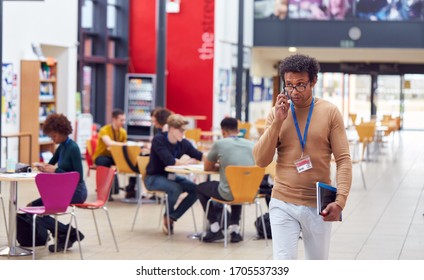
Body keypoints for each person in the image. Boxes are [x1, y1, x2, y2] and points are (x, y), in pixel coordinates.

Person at [253, 54, 352, 260]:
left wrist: (340, 200)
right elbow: (261, 160)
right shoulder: (277, 113)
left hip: (318, 204)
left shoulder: (330, 112)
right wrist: (278, 122)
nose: (294, 91)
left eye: (300, 85)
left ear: (313, 81)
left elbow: (343, 160)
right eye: (289, 85)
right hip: (282, 201)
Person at [28, 113, 88, 252]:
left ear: (62, 132)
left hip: (77, 191)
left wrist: (56, 170)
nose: (52, 139)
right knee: (31, 207)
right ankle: (67, 233)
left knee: (37, 210)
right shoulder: (61, 147)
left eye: (54, 136)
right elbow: (51, 165)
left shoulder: (73, 148)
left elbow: (78, 177)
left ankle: (67, 233)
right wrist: (43, 167)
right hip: (65, 190)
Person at [196, 117, 255, 243]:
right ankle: (235, 230)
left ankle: (214, 228)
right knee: (237, 184)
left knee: (200, 188)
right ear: (238, 130)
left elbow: (207, 167)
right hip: (250, 191)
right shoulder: (251, 144)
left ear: (223, 132)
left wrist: (223, 166)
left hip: (227, 193)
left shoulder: (220, 144)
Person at [144, 114, 204, 235]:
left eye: (184, 130)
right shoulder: (159, 140)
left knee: (197, 189)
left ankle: (172, 217)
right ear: (171, 129)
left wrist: (215, 161)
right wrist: (187, 162)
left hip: (169, 177)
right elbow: (170, 161)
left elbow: (199, 155)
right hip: (153, 178)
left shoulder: (183, 143)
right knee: (175, 188)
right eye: (181, 130)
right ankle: (168, 218)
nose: (183, 133)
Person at [92, 108, 135, 200]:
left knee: (134, 162)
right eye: (121, 120)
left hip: (116, 156)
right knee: (104, 162)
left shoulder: (123, 132)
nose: (123, 122)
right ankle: (106, 192)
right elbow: (109, 143)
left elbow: (123, 149)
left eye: (124, 120)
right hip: (102, 156)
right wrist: (124, 144)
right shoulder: (104, 130)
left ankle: (131, 190)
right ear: (114, 119)